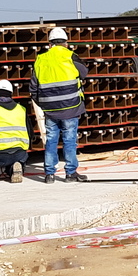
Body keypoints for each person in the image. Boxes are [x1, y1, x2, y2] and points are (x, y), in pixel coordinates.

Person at [30, 26, 89, 182]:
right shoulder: (71, 56)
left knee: (51, 139)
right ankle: (70, 173)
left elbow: (33, 87)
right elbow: (84, 73)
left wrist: (43, 104)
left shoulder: (41, 59)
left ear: (50, 44)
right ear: (66, 43)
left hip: (50, 108)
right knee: (69, 140)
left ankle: (49, 174)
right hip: (71, 107)